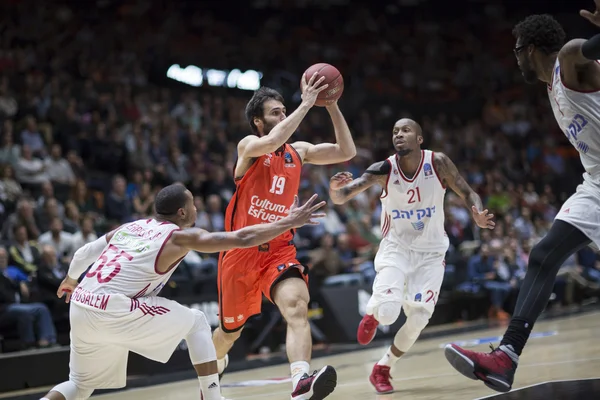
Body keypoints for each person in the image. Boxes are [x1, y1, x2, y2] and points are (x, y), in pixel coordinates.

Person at [39, 183, 326, 400]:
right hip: (114, 307)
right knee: (198, 322)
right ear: (182, 212)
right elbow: (243, 237)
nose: (197, 209)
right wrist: (289, 222)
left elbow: (84, 252)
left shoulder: (130, 227)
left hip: (81, 302)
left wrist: (70, 279)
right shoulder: (180, 236)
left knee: (80, 384)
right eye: (193, 204)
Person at [444, 5, 600, 393]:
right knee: (545, 254)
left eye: (516, 50)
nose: (515, 60)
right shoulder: (553, 87)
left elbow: (586, 48)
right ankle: (505, 358)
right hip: (595, 182)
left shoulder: (568, 58)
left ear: (531, 49)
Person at [212, 72, 356, 399]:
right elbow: (274, 142)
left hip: (279, 249)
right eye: (276, 112)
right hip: (241, 251)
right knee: (228, 334)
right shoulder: (248, 147)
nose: (283, 115)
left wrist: (331, 106)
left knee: (296, 306)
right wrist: (306, 103)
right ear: (258, 122)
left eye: (284, 109)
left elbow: (346, 150)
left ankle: (301, 383)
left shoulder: (299, 151)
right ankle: (212, 363)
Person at [328, 118, 494, 394]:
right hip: (397, 248)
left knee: (418, 318)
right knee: (390, 314)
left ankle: (383, 368)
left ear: (420, 139)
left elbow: (467, 192)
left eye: (406, 130)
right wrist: (335, 189)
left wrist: (476, 212)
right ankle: (373, 313)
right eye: (395, 131)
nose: (399, 135)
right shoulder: (384, 169)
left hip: (431, 252)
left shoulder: (438, 162)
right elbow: (343, 196)